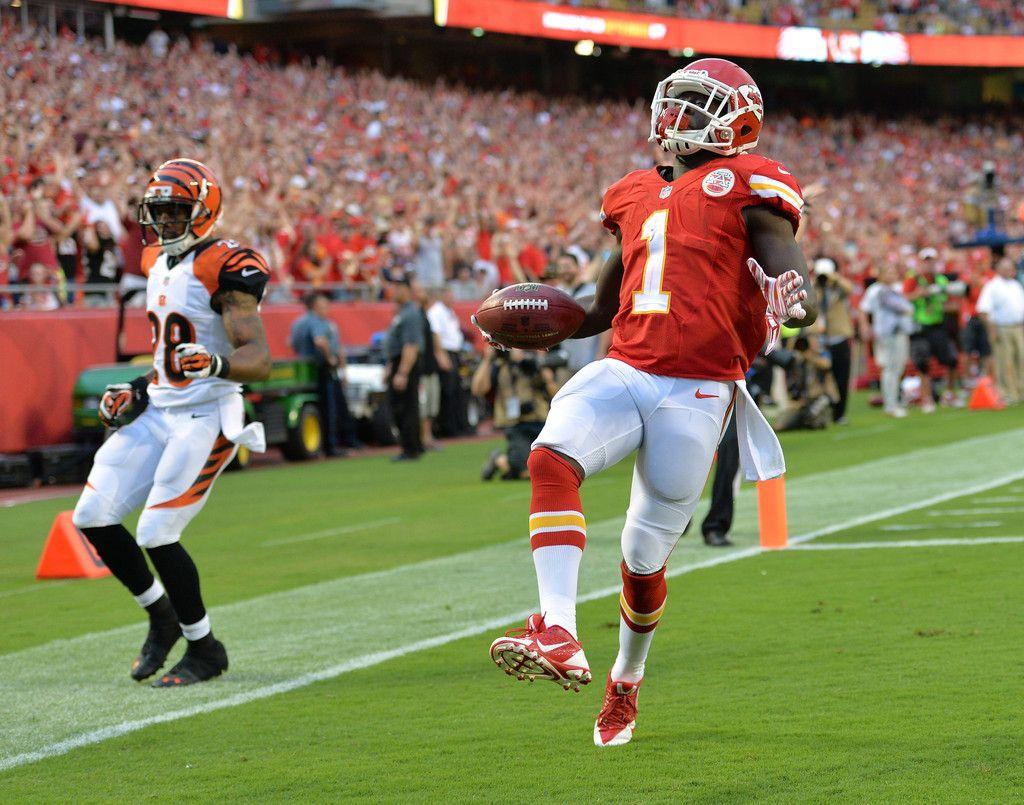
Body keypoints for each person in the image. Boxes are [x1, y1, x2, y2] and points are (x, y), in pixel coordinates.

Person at [481, 59, 816, 746]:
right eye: (677, 103)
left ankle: (625, 681)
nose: (678, 117)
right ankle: (559, 630)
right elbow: (603, 306)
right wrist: (540, 327)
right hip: (628, 366)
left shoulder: (751, 183)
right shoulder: (632, 193)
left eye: (698, 105)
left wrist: (798, 300)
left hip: (699, 388)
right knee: (550, 455)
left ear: (737, 121)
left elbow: (789, 268)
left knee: (641, 554)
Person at [72, 159, 272, 687]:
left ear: (203, 211)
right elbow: (166, 355)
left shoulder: (225, 265)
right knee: (92, 514)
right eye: (157, 210)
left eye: (175, 210)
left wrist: (216, 363)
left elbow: (259, 358)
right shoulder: (156, 262)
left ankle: (205, 648)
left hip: (209, 415)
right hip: (161, 409)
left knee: (157, 530)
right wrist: (134, 390)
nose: (162, 220)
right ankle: (161, 617)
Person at [473, 349, 567, 481]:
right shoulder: (500, 365)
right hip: (515, 424)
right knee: (528, 473)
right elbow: (478, 389)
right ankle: (502, 460)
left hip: (541, 420)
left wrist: (542, 367)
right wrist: (488, 359)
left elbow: (556, 395)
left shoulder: (536, 362)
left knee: (556, 468)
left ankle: (501, 461)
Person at [290, 291, 358, 456]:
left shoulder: (298, 322)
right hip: (322, 368)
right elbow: (320, 341)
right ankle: (331, 446)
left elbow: (291, 343)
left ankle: (335, 442)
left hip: (306, 371)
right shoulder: (318, 322)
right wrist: (330, 359)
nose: (327, 309)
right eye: (324, 306)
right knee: (329, 409)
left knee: (325, 407)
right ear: (315, 306)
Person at [905, 248, 958, 413]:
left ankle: (948, 394)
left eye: (932, 260)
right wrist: (920, 294)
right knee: (923, 363)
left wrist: (943, 306)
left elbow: (953, 304)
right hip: (920, 326)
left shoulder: (941, 280)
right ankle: (926, 398)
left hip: (938, 324)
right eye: (926, 261)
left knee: (950, 359)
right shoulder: (913, 279)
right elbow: (904, 298)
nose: (929, 264)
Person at [859, 264, 914, 417]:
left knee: (899, 367)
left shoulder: (899, 287)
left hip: (901, 331)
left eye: (892, 271)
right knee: (889, 368)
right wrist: (865, 326)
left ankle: (896, 399)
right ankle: (890, 404)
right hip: (886, 333)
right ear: (881, 275)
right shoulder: (876, 290)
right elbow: (863, 309)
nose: (891, 275)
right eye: (887, 271)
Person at [383, 268, 425, 461]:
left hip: (405, 364)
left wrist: (402, 372)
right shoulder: (403, 312)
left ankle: (410, 448)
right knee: (404, 406)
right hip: (398, 362)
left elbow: (410, 346)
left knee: (405, 407)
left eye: (398, 287)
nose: (394, 291)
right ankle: (413, 446)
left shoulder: (410, 314)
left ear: (407, 290)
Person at [812, 257, 854, 423]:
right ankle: (823, 411)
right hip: (821, 340)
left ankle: (840, 413)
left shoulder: (838, 289)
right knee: (821, 379)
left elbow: (849, 289)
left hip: (839, 337)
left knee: (841, 377)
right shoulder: (814, 288)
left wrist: (833, 277)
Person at [976, 256, 1024, 404]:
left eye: (1011, 268)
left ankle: (1020, 391)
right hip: (1001, 328)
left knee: (1020, 359)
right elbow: (983, 310)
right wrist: (992, 329)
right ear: (998, 270)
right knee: (1004, 361)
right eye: (1006, 268)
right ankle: (1006, 393)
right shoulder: (992, 286)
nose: (1010, 271)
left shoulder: (1015, 285)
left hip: (1017, 327)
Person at [426, 285, 468, 437]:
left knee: (457, 391)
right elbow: (435, 334)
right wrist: (441, 355)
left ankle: (457, 426)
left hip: (454, 352)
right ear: (442, 295)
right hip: (445, 353)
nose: (452, 298)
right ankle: (446, 428)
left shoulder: (449, 311)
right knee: (447, 392)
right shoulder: (436, 312)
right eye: (450, 295)